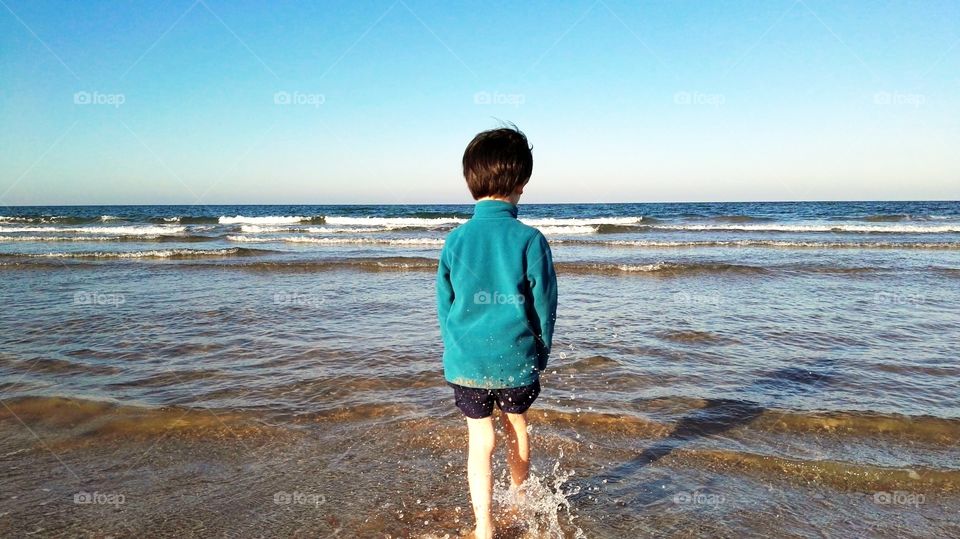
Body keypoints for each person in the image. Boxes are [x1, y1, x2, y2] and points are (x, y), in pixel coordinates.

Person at [436, 125, 558, 538]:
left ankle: (483, 526)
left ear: (471, 181)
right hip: (515, 359)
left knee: (480, 439)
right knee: (516, 426)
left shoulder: (455, 240)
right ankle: (520, 501)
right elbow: (544, 306)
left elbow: (445, 305)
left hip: (466, 359)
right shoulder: (530, 240)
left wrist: (454, 350)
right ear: (521, 183)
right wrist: (540, 352)